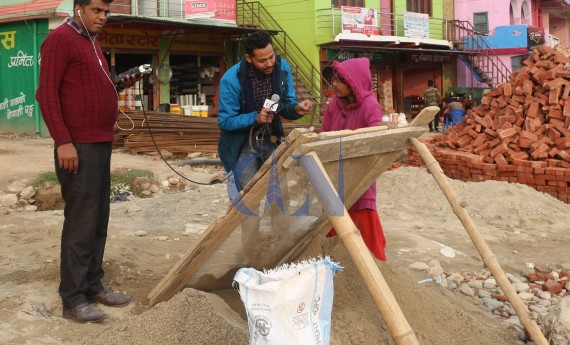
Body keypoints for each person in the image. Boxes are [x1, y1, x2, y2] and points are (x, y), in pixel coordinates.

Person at [36, 0, 139, 324]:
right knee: (81, 222)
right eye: (97, 10)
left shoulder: (92, 42)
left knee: (98, 219)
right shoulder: (59, 40)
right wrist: (63, 141)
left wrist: (120, 83)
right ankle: (73, 298)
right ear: (79, 8)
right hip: (78, 146)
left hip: (100, 141)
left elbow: (93, 87)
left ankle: (93, 285)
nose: (103, 17)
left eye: (106, 12)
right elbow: (46, 93)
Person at [217, 30, 313, 188]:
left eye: (271, 57)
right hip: (242, 146)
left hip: (271, 139)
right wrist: (255, 118)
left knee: (277, 193)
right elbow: (225, 121)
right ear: (249, 58)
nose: (269, 64)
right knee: (248, 197)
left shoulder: (282, 68)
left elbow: (286, 103)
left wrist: (296, 108)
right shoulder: (231, 80)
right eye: (262, 61)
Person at [320, 58, 387, 261]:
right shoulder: (334, 104)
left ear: (354, 82)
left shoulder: (369, 105)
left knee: (365, 232)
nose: (335, 84)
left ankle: (374, 269)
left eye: (341, 80)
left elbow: (376, 135)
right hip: (334, 178)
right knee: (332, 229)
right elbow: (324, 133)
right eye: (335, 79)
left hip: (361, 178)